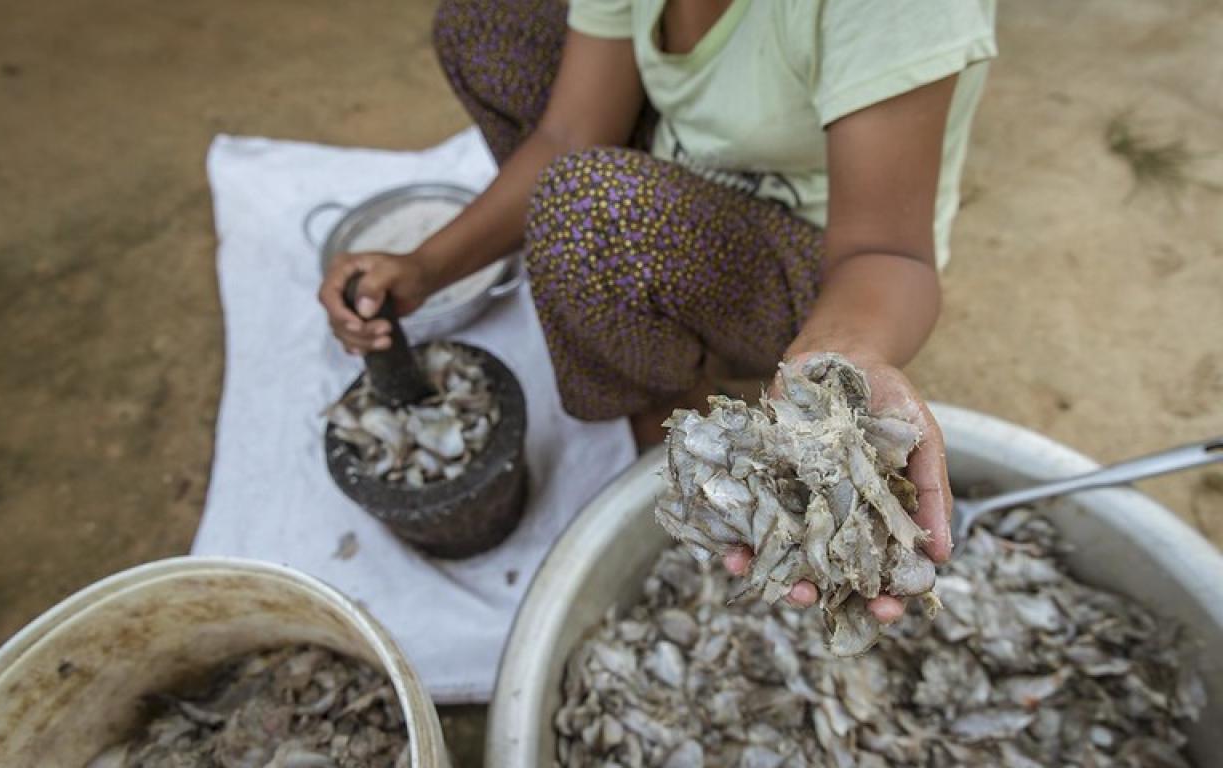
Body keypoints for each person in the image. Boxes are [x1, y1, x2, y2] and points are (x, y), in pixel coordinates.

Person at [318, 0, 997, 622]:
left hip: (828, 262)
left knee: (589, 209)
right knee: (488, 24)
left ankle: (674, 373)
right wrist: (428, 266)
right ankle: (649, 349)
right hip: (686, 164)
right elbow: (570, 132)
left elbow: (888, 253)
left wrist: (834, 363)